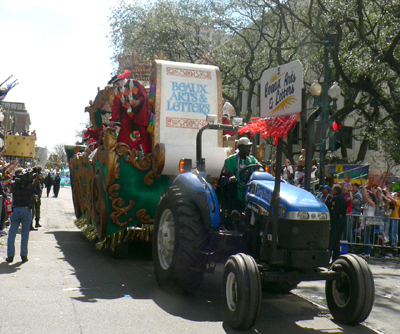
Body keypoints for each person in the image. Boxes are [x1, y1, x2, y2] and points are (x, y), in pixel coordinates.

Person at [108, 70, 152, 154]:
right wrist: (113, 119)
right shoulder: (117, 91)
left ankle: (148, 153)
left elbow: (144, 96)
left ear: (121, 80)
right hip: (127, 114)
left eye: (117, 84)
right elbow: (116, 106)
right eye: (115, 85)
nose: (117, 86)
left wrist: (139, 101)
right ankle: (131, 151)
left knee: (143, 132)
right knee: (122, 136)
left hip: (139, 112)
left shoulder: (135, 83)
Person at [6, 168, 40, 263]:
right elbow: (37, 194)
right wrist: (35, 182)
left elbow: (11, 190)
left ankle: (10, 255)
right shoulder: (29, 186)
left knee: (12, 233)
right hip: (26, 210)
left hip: (16, 209)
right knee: (25, 234)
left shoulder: (13, 186)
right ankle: (24, 255)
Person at [220, 137, 261, 210]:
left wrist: (261, 170)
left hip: (249, 188)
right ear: (240, 148)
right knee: (231, 185)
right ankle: (233, 211)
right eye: (247, 147)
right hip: (235, 188)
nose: (249, 149)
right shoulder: (230, 160)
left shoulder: (252, 160)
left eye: (250, 147)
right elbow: (225, 175)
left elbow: (259, 168)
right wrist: (231, 177)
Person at [327, 184, 347, 263]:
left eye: (332, 189)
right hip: (342, 221)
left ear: (335, 190)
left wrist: (330, 223)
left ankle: (327, 259)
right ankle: (336, 258)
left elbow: (333, 212)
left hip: (336, 221)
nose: (331, 190)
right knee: (337, 240)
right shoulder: (343, 198)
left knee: (331, 240)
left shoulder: (335, 199)